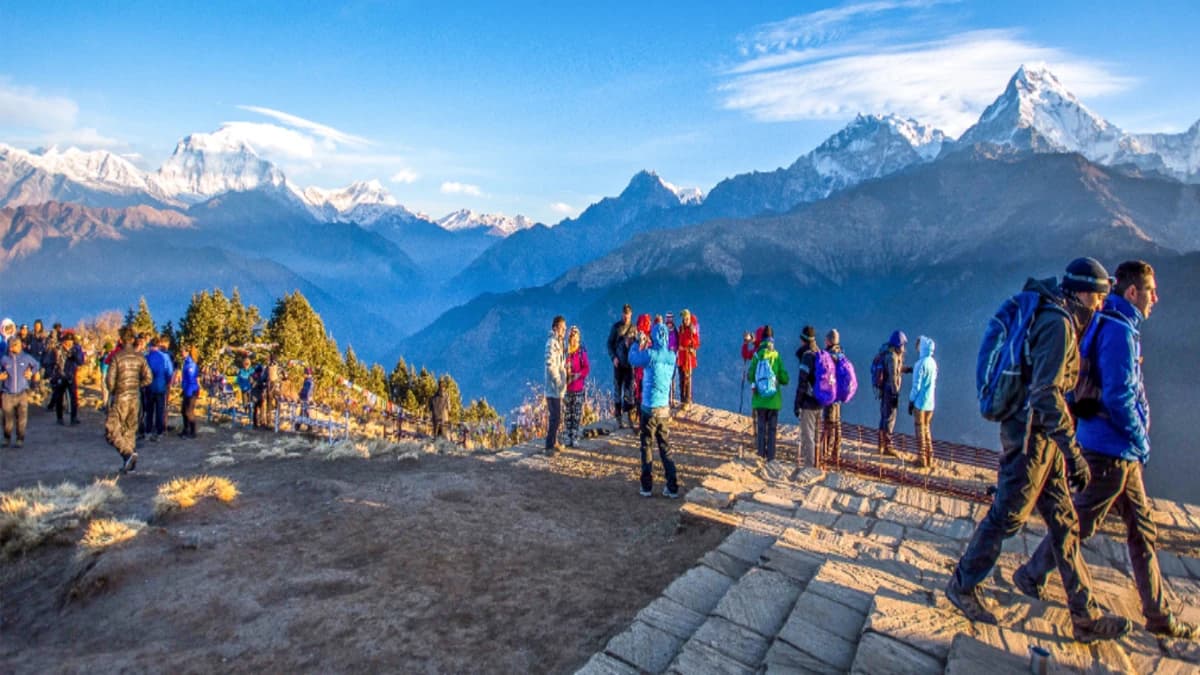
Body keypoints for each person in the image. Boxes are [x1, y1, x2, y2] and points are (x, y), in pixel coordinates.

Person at [946, 257, 1131, 644]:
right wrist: (1073, 451)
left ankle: (1084, 614)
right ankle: (963, 583)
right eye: (1098, 297)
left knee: (1065, 522)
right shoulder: (1059, 326)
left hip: (1042, 439)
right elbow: (1045, 394)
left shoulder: (1056, 318)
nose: (1100, 305)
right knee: (1008, 516)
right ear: (1083, 293)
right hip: (1030, 439)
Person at [1014, 260, 1196, 639]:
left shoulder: (1104, 321)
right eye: (1150, 291)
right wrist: (1140, 440)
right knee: (1080, 523)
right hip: (1112, 448)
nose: (1156, 298)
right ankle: (1033, 575)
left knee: (1139, 529)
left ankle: (1158, 614)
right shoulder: (1119, 331)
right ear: (1132, 292)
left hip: (1109, 447)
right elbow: (1119, 395)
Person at [628, 321, 679, 497]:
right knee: (665, 447)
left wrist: (637, 342)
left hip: (649, 407)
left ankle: (647, 486)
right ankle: (672, 486)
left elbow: (632, 359)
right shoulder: (672, 356)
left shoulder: (650, 354)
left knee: (647, 446)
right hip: (664, 409)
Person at [106, 328, 152, 473]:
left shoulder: (117, 357)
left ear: (121, 339)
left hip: (121, 397)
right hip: (135, 398)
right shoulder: (140, 357)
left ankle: (127, 454)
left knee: (111, 429)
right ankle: (130, 464)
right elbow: (149, 377)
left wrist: (114, 390)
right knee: (130, 430)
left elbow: (109, 380)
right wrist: (137, 385)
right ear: (133, 339)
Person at [747, 326, 789, 462]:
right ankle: (771, 456)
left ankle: (760, 454)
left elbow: (750, 375)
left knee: (761, 428)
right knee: (772, 429)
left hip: (759, 398)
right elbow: (784, 378)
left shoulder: (757, 356)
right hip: (773, 399)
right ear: (772, 340)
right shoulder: (776, 356)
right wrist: (783, 378)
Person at [1, 337, 41, 448]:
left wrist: (31, 372)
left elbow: (37, 365)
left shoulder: (26, 358)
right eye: (13, 344)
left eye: (17, 344)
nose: (15, 346)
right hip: (7, 393)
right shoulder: (4, 359)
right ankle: (7, 438)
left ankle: (20, 439)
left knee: (22, 418)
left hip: (22, 392)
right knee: (7, 419)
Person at [793, 325, 822, 468]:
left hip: (809, 402)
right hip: (821, 400)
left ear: (803, 340)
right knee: (816, 435)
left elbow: (802, 383)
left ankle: (810, 466)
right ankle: (817, 462)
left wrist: (797, 404)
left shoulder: (806, 357)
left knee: (808, 435)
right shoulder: (820, 353)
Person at [878, 330, 910, 457]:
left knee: (884, 416)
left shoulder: (888, 355)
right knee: (890, 417)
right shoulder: (892, 357)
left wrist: (907, 369)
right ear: (898, 345)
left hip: (885, 389)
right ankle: (888, 446)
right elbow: (893, 376)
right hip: (889, 390)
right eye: (903, 345)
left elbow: (895, 369)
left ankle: (880, 444)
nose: (904, 348)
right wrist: (895, 394)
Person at [909, 336, 938, 468]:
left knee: (919, 430)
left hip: (920, 404)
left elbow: (916, 386)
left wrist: (911, 401)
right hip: (930, 403)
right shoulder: (933, 362)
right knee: (927, 429)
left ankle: (921, 459)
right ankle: (930, 457)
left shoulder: (919, 364)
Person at [606, 304, 637, 428]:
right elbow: (609, 344)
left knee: (629, 392)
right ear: (622, 314)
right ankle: (619, 419)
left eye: (628, 314)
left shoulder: (634, 328)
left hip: (630, 365)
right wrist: (613, 357)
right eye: (624, 313)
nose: (626, 316)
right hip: (618, 364)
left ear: (631, 314)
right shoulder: (616, 327)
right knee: (618, 390)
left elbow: (637, 345)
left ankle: (629, 417)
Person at [48, 331, 85, 426]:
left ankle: (74, 417)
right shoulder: (57, 349)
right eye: (66, 341)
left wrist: (73, 354)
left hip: (71, 375)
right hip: (59, 375)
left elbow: (81, 361)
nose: (68, 343)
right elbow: (51, 361)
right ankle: (59, 418)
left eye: (70, 341)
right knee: (59, 397)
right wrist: (52, 375)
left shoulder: (76, 349)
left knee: (74, 397)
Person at [821, 329, 845, 465]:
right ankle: (836, 451)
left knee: (829, 423)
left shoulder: (828, 355)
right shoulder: (841, 353)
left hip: (830, 394)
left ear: (829, 340)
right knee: (837, 422)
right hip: (839, 395)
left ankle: (827, 452)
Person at [544, 315, 567, 455]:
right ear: (555, 328)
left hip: (558, 388)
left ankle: (554, 442)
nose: (564, 331)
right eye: (562, 328)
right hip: (553, 388)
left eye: (565, 328)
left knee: (557, 416)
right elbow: (550, 364)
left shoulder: (559, 343)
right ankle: (549, 446)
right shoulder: (551, 343)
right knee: (555, 417)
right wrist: (558, 381)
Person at [564, 325, 590, 447]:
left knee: (577, 413)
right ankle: (568, 436)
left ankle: (575, 437)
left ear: (578, 338)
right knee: (568, 413)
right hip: (567, 388)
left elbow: (587, 368)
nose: (574, 339)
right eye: (572, 337)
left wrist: (578, 375)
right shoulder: (566, 352)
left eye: (575, 337)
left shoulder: (581, 352)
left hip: (578, 388)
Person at [144, 336, 173, 440]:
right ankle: (159, 432)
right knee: (160, 410)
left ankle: (148, 431)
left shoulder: (147, 357)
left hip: (149, 387)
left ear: (151, 345)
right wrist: (167, 381)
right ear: (159, 345)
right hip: (161, 387)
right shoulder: (165, 357)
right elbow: (169, 372)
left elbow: (143, 372)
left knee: (149, 410)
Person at [676, 309, 700, 409]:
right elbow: (679, 340)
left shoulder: (692, 329)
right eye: (684, 318)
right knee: (682, 378)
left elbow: (697, 343)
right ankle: (682, 399)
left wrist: (692, 346)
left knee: (688, 379)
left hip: (688, 357)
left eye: (687, 318)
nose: (685, 320)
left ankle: (688, 400)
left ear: (689, 318)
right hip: (681, 356)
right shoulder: (681, 328)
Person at [178, 344, 200, 439]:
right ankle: (185, 429)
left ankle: (193, 432)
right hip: (186, 390)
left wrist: (188, 392)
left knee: (189, 411)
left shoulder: (191, 364)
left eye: (182, 351)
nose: (181, 353)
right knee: (183, 411)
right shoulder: (186, 363)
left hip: (191, 391)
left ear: (187, 352)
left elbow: (191, 380)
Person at [97, 340, 114, 411]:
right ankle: (108, 406)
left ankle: (105, 405)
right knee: (109, 391)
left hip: (105, 374)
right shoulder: (112, 355)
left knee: (105, 391)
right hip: (111, 375)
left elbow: (102, 366)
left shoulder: (105, 357)